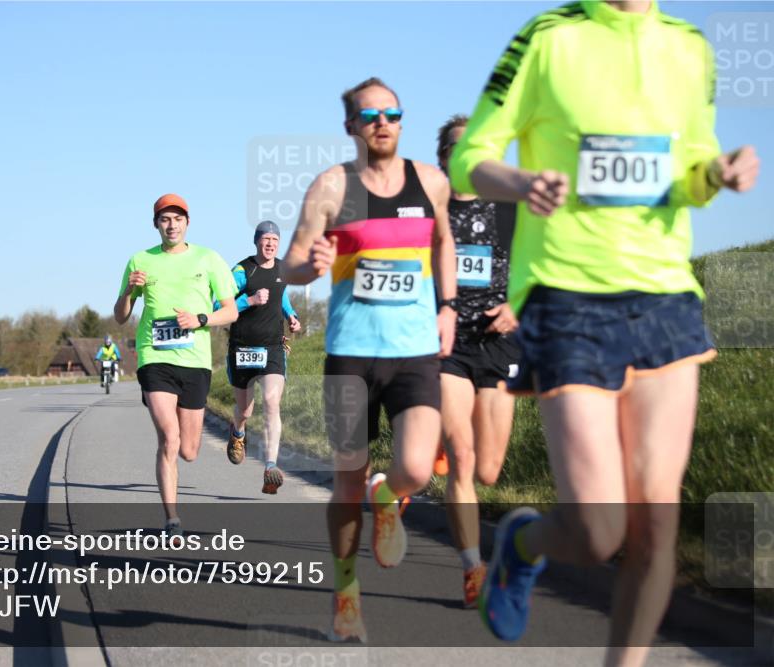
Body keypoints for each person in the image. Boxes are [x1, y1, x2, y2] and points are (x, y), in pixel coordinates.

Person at [448, 2, 760, 664]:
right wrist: (521, 180)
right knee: (597, 529)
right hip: (568, 299)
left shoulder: (688, 47)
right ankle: (524, 544)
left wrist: (718, 173)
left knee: (655, 531)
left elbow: (691, 165)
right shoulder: (547, 37)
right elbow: (470, 156)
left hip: (666, 298)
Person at [282, 77, 457, 642]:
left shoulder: (430, 182)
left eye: (392, 113)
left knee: (415, 468)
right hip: (351, 354)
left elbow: (444, 244)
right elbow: (292, 265)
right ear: (351, 126)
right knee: (346, 482)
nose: (382, 122)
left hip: (413, 354)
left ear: (402, 122)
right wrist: (313, 263)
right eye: (370, 115)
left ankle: (392, 494)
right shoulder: (332, 186)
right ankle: (347, 591)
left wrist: (448, 306)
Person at [114, 193, 239, 538]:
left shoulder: (209, 259)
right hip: (154, 356)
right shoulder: (141, 261)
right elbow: (121, 316)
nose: (172, 225)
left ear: (187, 223)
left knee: (189, 450)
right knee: (169, 438)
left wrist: (200, 319)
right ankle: (171, 519)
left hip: (195, 361)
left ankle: (220, 433)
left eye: (178, 219)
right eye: (165, 219)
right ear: (156, 224)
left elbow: (231, 311)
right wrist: (128, 291)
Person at [435, 113, 521, 609]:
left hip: (499, 342)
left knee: (489, 470)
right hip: (448, 343)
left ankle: (439, 451)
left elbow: (540, 266)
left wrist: (516, 307)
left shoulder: (510, 209)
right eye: (454, 148)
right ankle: (473, 567)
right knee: (463, 459)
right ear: (444, 159)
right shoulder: (429, 211)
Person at [223, 220, 303, 495]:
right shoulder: (242, 271)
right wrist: (250, 300)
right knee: (245, 410)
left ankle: (270, 466)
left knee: (271, 402)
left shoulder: (282, 269)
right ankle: (238, 432)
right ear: (256, 241)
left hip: (272, 348)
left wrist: (292, 317)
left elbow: (282, 299)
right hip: (242, 348)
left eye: (275, 240)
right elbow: (217, 305)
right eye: (265, 239)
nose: (270, 244)